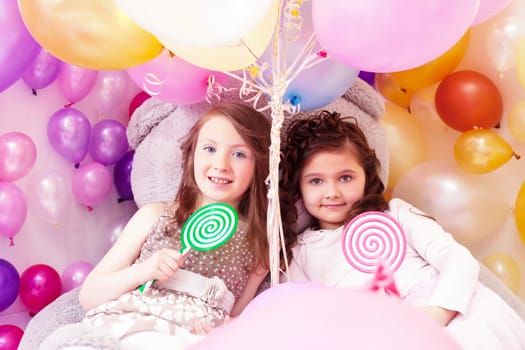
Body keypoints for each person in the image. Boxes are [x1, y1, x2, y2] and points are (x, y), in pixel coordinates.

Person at [279, 110, 525, 350]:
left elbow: (458, 260)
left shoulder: (394, 214)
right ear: (299, 186)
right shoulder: (300, 253)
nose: (332, 192)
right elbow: (306, 319)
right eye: (316, 181)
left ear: (366, 175)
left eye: (345, 178)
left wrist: (435, 315)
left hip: (452, 315)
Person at [77, 102, 271, 349]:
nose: (221, 164)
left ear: (259, 166)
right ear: (191, 156)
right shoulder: (155, 215)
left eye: (239, 154)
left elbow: (239, 318)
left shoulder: (258, 244)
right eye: (209, 148)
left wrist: (225, 329)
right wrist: (145, 271)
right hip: (129, 327)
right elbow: (89, 295)